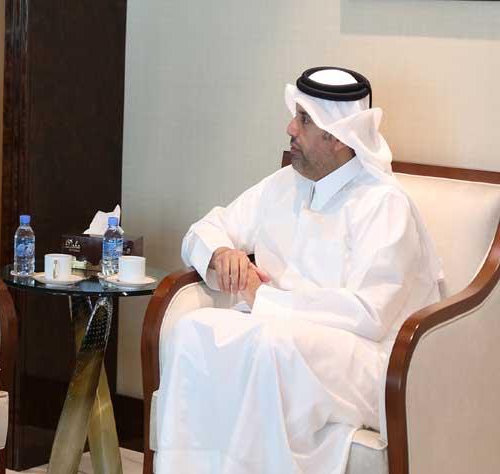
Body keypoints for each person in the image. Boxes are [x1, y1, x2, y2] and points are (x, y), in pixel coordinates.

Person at [155, 67, 442, 474]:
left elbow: (369, 314)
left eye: (304, 119)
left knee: (271, 345)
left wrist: (265, 299)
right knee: (192, 331)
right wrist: (220, 252)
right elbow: (202, 230)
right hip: (281, 337)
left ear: (338, 136)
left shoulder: (383, 204)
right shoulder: (283, 183)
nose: (290, 127)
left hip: (365, 360)